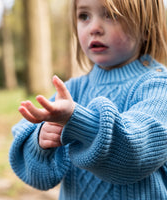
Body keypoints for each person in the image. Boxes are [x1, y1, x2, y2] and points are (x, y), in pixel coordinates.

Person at [9, 0, 167, 199]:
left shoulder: (158, 87)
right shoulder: (72, 90)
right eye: (84, 16)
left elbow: (134, 155)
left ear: (145, 28)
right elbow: (38, 176)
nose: (94, 28)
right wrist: (41, 141)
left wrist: (78, 121)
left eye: (111, 14)